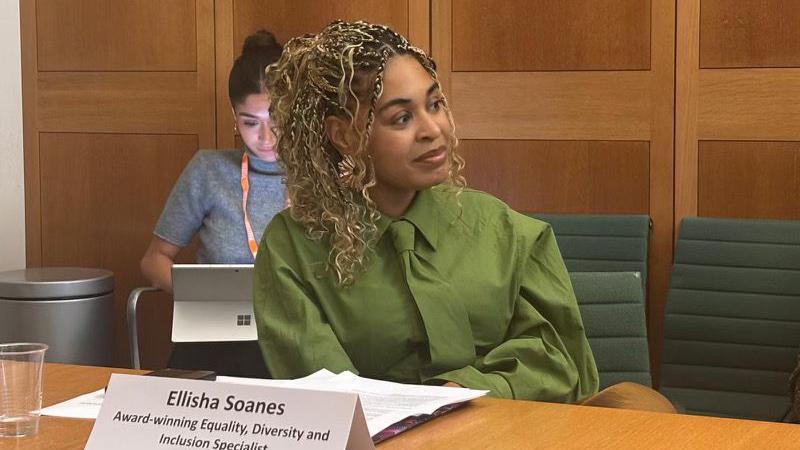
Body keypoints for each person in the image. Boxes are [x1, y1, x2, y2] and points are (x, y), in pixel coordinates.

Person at [255, 21, 674, 411]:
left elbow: (559, 359)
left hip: (511, 428)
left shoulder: (503, 229)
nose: (432, 129)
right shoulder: (293, 248)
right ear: (344, 135)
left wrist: (464, 392)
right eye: (402, 117)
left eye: (435, 104)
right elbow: (330, 398)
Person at [140, 30, 284, 377]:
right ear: (233, 116)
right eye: (251, 123)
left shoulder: (323, 177)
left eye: (277, 120)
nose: (266, 138)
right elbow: (153, 260)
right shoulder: (209, 170)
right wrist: (204, 294)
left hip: (292, 334)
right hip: (219, 336)